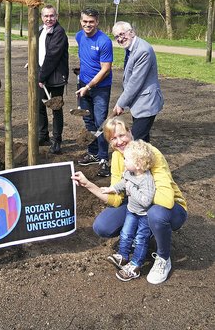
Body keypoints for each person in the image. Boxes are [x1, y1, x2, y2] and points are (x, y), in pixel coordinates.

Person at [73, 115, 187, 285]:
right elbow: (117, 199)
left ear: (130, 132)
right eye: (113, 139)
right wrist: (89, 185)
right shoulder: (119, 157)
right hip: (138, 203)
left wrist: (132, 189)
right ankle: (142, 238)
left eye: (121, 135)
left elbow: (166, 200)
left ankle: (163, 258)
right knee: (102, 226)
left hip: (170, 209)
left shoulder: (149, 154)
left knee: (155, 214)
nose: (119, 142)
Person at [101, 139, 157, 281]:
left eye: (127, 159)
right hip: (131, 211)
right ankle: (122, 256)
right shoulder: (129, 173)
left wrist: (131, 189)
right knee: (125, 233)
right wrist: (111, 189)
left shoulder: (146, 179)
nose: (124, 161)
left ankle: (136, 265)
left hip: (144, 215)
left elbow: (146, 200)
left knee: (140, 239)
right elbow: (123, 182)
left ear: (138, 164)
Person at [75, 8, 113, 177]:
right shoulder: (79, 36)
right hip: (83, 85)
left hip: (100, 89)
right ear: (81, 21)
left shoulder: (104, 41)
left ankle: (104, 159)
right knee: (88, 120)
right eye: (85, 21)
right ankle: (93, 152)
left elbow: (105, 69)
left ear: (97, 22)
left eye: (91, 21)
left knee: (100, 123)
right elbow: (84, 57)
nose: (88, 24)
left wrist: (88, 86)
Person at [112, 21, 164, 142]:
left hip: (147, 103)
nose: (120, 39)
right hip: (139, 103)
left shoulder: (143, 51)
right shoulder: (131, 47)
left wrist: (121, 103)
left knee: (134, 142)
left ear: (131, 32)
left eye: (122, 34)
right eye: (116, 37)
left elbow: (135, 82)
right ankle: (148, 160)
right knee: (143, 142)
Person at [38, 5, 69, 155]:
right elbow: (38, 51)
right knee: (40, 106)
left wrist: (41, 77)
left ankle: (57, 141)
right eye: (46, 16)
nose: (49, 19)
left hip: (55, 77)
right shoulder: (40, 31)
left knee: (56, 108)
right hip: (42, 74)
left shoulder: (59, 32)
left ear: (56, 16)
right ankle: (43, 136)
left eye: (52, 16)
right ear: (42, 17)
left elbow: (52, 56)